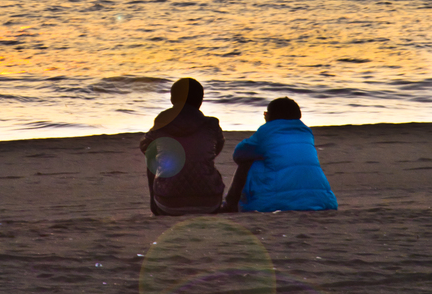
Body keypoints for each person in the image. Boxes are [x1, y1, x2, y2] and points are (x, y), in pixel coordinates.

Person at [222, 97, 337, 213]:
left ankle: (230, 204)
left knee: (249, 162)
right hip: (322, 201)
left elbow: (239, 154)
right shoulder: (306, 132)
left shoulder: (267, 131)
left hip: (278, 202)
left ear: (268, 116)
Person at [140, 78, 225, 215]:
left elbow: (144, 146)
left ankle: (155, 207)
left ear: (172, 99)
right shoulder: (211, 125)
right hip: (210, 202)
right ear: (201, 101)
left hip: (168, 204)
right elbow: (218, 147)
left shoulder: (162, 123)